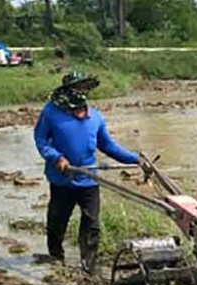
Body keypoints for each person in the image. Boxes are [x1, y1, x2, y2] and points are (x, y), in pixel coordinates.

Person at [33, 71, 145, 273]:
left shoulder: (96, 117)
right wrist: (56, 158)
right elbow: (41, 140)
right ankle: (56, 257)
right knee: (57, 220)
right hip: (62, 179)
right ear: (68, 90)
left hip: (88, 178)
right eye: (79, 88)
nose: (82, 92)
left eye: (85, 88)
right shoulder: (51, 112)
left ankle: (89, 264)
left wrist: (136, 159)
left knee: (92, 224)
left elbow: (109, 146)